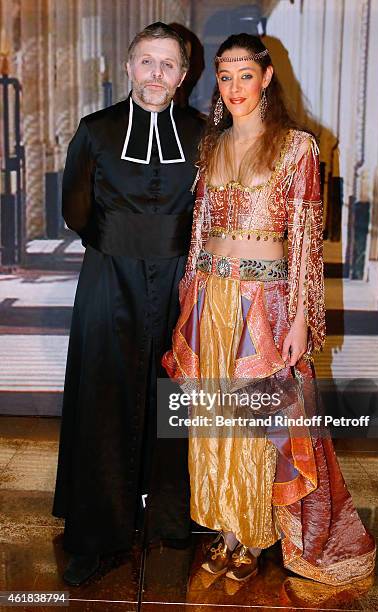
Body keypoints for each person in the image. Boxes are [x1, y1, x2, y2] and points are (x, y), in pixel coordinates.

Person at [162, 33, 376, 584]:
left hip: (265, 302)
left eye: (245, 75)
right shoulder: (211, 145)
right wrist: (190, 295)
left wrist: (303, 317)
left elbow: (305, 238)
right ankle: (225, 528)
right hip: (212, 295)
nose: (234, 88)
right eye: (225, 76)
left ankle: (254, 534)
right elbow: (199, 231)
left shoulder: (295, 147)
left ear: (267, 77)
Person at [52, 22, 205, 586]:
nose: (157, 74)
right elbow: (75, 209)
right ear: (129, 65)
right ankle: (100, 531)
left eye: (169, 64)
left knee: (175, 398)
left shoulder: (202, 133)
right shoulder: (95, 130)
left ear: (184, 74)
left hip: (180, 283)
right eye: (147, 62)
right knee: (104, 395)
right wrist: (120, 244)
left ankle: (171, 518)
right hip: (109, 278)